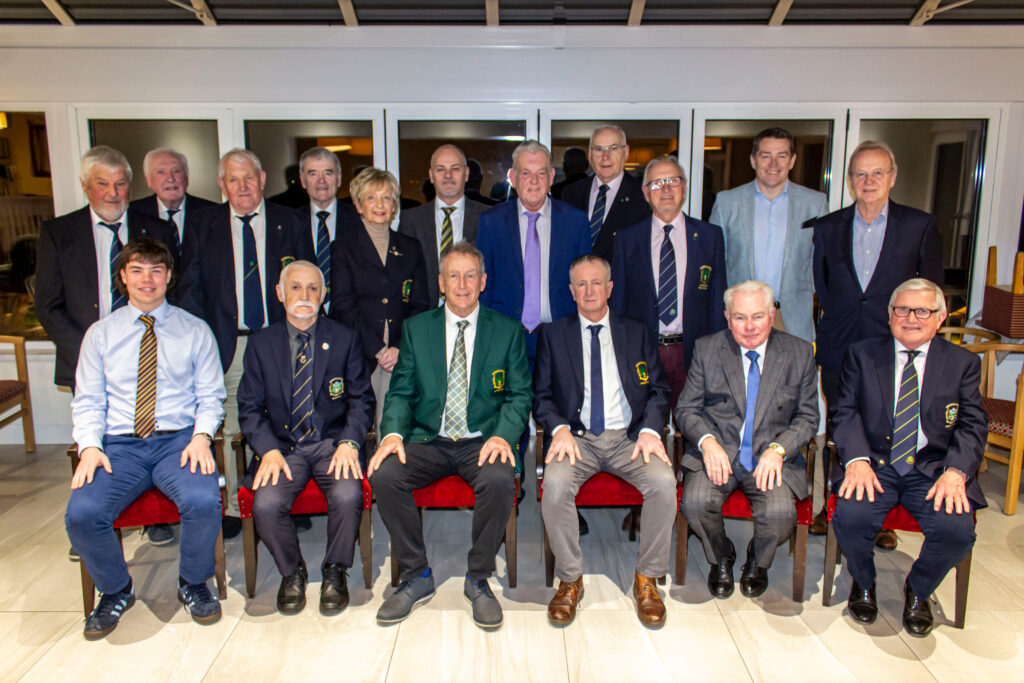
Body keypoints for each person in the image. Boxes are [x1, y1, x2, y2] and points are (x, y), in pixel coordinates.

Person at [65, 237, 226, 640]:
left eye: (156, 270)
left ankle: (192, 582)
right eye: (137, 270)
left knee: (204, 499)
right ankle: (116, 589)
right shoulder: (100, 335)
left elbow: (211, 396)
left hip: (179, 442)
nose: (147, 279)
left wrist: (203, 436)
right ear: (123, 277)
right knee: (82, 513)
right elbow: (87, 400)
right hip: (119, 446)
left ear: (169, 277)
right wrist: (88, 447)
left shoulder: (195, 331)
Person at [368, 241, 531, 630]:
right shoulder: (417, 329)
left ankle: (478, 577)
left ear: (483, 281)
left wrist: (504, 436)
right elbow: (402, 391)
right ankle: (416, 574)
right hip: (430, 438)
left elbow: (520, 394)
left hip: (482, 439)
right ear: (440, 283)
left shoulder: (507, 331)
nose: (462, 284)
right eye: (453, 276)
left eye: (470, 275)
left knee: (499, 478)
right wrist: (391, 434)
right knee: (385, 474)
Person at [831, 278, 985, 637]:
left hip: (933, 470)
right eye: (902, 309)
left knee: (956, 531)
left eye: (923, 310)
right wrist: (856, 460)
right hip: (875, 464)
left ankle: (919, 589)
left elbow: (972, 424)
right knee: (850, 516)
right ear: (889, 315)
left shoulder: (962, 363)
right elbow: (845, 412)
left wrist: (956, 472)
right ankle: (863, 583)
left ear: (940, 317)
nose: (911, 318)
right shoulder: (862, 354)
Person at [813, 140, 944, 548]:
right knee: (840, 426)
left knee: (886, 430)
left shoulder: (917, 225)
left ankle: (881, 513)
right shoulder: (829, 226)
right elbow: (824, 283)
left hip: (893, 348)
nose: (868, 182)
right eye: (860, 174)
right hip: (840, 345)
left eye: (876, 173)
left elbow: (932, 289)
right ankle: (830, 505)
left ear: (893, 176)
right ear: (849, 181)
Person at [177, 148, 314, 536]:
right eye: (233, 180)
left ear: (263, 179)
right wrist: (201, 340)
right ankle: (239, 508)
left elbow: (309, 280)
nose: (242, 187)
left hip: (283, 339)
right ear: (221, 185)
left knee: (291, 417)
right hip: (229, 342)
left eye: (249, 178)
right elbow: (189, 289)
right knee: (235, 421)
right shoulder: (204, 223)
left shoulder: (290, 221)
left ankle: (287, 495)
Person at [534, 254, 674, 627]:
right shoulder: (554, 333)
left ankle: (647, 578)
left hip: (629, 437)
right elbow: (541, 396)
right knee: (555, 485)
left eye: (597, 283)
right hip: (576, 438)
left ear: (610, 288)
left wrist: (648, 430)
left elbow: (660, 390)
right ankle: (569, 578)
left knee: (663, 483)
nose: (589, 290)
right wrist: (558, 427)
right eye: (581, 284)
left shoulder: (636, 331)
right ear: (571, 291)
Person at [237, 260, 374, 616]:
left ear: (323, 294)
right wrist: (265, 450)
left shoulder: (344, 338)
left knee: (347, 494)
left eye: (313, 288)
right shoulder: (261, 345)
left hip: (332, 444)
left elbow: (362, 399)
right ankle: (291, 571)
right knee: (265, 504)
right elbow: (249, 408)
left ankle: (335, 570)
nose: (305, 295)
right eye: (295, 287)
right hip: (284, 449)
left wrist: (350, 442)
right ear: (280, 294)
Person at [676, 280, 819, 599]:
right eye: (740, 317)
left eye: (758, 316)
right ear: (727, 317)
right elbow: (686, 409)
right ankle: (722, 555)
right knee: (695, 503)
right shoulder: (708, 348)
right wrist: (707, 443)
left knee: (781, 516)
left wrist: (780, 449)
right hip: (719, 453)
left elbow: (809, 417)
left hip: (770, 457)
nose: (750, 326)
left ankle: (758, 558)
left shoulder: (798, 353)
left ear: (771, 314)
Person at [35, 145, 180, 392]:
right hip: (87, 361)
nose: (112, 193)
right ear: (85, 185)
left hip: (152, 358)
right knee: (94, 429)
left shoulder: (159, 230)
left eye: (120, 184)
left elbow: (174, 293)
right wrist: (89, 352)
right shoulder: (58, 234)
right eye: (102, 184)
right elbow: (48, 306)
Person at [610, 155, 727, 407]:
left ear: (684, 188)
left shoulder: (710, 236)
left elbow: (717, 301)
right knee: (647, 426)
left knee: (694, 425)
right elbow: (619, 303)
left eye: (673, 181)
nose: (665, 189)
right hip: (645, 352)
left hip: (693, 352)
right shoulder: (627, 240)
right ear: (645, 193)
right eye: (656, 183)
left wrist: (718, 353)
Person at [328, 167, 431, 440]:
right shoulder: (344, 247)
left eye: (387, 198)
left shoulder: (411, 247)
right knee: (358, 429)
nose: (380, 204)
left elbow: (421, 304)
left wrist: (399, 347)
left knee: (394, 427)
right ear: (358, 204)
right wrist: (377, 349)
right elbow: (342, 306)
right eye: (371, 197)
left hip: (401, 354)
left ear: (395, 205)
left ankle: (388, 482)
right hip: (361, 352)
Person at [709, 127, 828, 344]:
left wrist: (805, 289)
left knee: (793, 378)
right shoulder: (727, 203)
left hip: (791, 318)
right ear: (753, 160)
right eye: (766, 156)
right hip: (743, 318)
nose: (773, 164)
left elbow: (820, 260)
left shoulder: (815, 203)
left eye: (781, 156)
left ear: (792, 160)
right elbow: (716, 262)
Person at [477, 139, 591, 365]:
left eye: (541, 173)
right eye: (526, 173)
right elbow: (484, 284)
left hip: (561, 339)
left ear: (551, 177)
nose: (534, 181)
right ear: (513, 177)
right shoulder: (491, 222)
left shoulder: (575, 221)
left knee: (559, 401)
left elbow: (586, 282)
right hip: (506, 339)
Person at [398, 144, 488, 305]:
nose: (448, 175)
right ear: (431, 175)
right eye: (440, 169)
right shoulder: (410, 220)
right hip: (425, 317)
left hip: (475, 314)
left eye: (455, 169)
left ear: (466, 174)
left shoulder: (487, 217)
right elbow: (403, 274)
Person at [562, 125, 650, 263]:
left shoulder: (644, 196)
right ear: (590, 155)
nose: (605, 156)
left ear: (626, 152)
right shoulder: (570, 194)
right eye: (599, 149)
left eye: (613, 148)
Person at [296, 146, 361, 313]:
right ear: (303, 181)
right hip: (303, 318)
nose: (321, 180)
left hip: (349, 320)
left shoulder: (360, 220)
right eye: (313, 173)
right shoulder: (290, 222)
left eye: (328, 173)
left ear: (338, 179)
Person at [130, 147, 217, 260]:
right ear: (148, 180)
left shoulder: (211, 212)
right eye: (161, 172)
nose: (170, 179)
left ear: (186, 178)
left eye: (176, 171)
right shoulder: (134, 213)